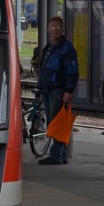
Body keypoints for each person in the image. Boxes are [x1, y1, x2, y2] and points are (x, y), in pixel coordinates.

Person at [38, 16, 79, 165]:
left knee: (57, 121)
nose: (55, 30)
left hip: (58, 88)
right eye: (52, 27)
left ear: (62, 29)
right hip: (48, 87)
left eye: (58, 27)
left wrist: (69, 89)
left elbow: (72, 70)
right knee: (53, 121)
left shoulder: (66, 48)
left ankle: (56, 154)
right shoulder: (50, 46)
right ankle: (61, 154)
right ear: (48, 29)